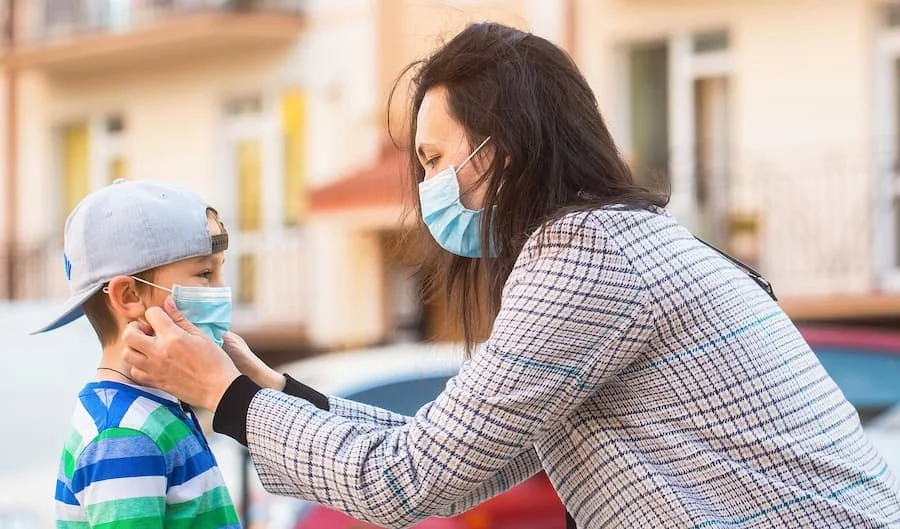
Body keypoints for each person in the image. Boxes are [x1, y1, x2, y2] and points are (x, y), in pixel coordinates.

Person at [121, 23, 900, 528]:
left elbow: (408, 480)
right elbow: (457, 460)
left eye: (431, 159)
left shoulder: (587, 257)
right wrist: (274, 395)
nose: (425, 187)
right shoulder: (620, 241)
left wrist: (227, 400)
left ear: (494, 152)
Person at [38, 179, 241, 529]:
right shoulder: (123, 436)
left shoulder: (154, 407)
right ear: (129, 296)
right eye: (206, 273)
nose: (222, 290)